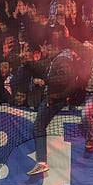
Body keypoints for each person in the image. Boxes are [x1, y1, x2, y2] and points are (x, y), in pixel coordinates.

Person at [27, 37, 78, 176]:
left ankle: (41, 162)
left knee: (38, 126)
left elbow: (64, 78)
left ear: (56, 47)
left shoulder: (62, 59)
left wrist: (45, 81)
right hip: (55, 98)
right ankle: (41, 162)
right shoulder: (57, 59)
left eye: (49, 48)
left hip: (55, 99)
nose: (47, 51)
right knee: (39, 126)